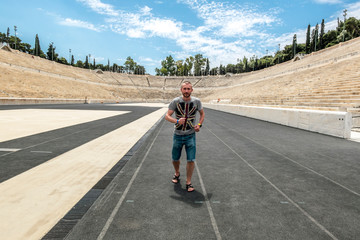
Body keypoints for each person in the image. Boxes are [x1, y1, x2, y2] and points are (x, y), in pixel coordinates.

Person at [165, 81, 205, 192]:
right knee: (175, 159)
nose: (186, 91)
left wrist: (199, 125)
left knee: (191, 160)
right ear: (181, 90)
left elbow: (202, 114)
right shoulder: (175, 101)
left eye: (188, 89)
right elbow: (167, 116)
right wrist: (177, 120)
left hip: (190, 135)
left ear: (192, 90)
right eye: (184, 89)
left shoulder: (197, 101)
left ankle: (188, 182)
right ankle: (177, 173)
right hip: (177, 135)